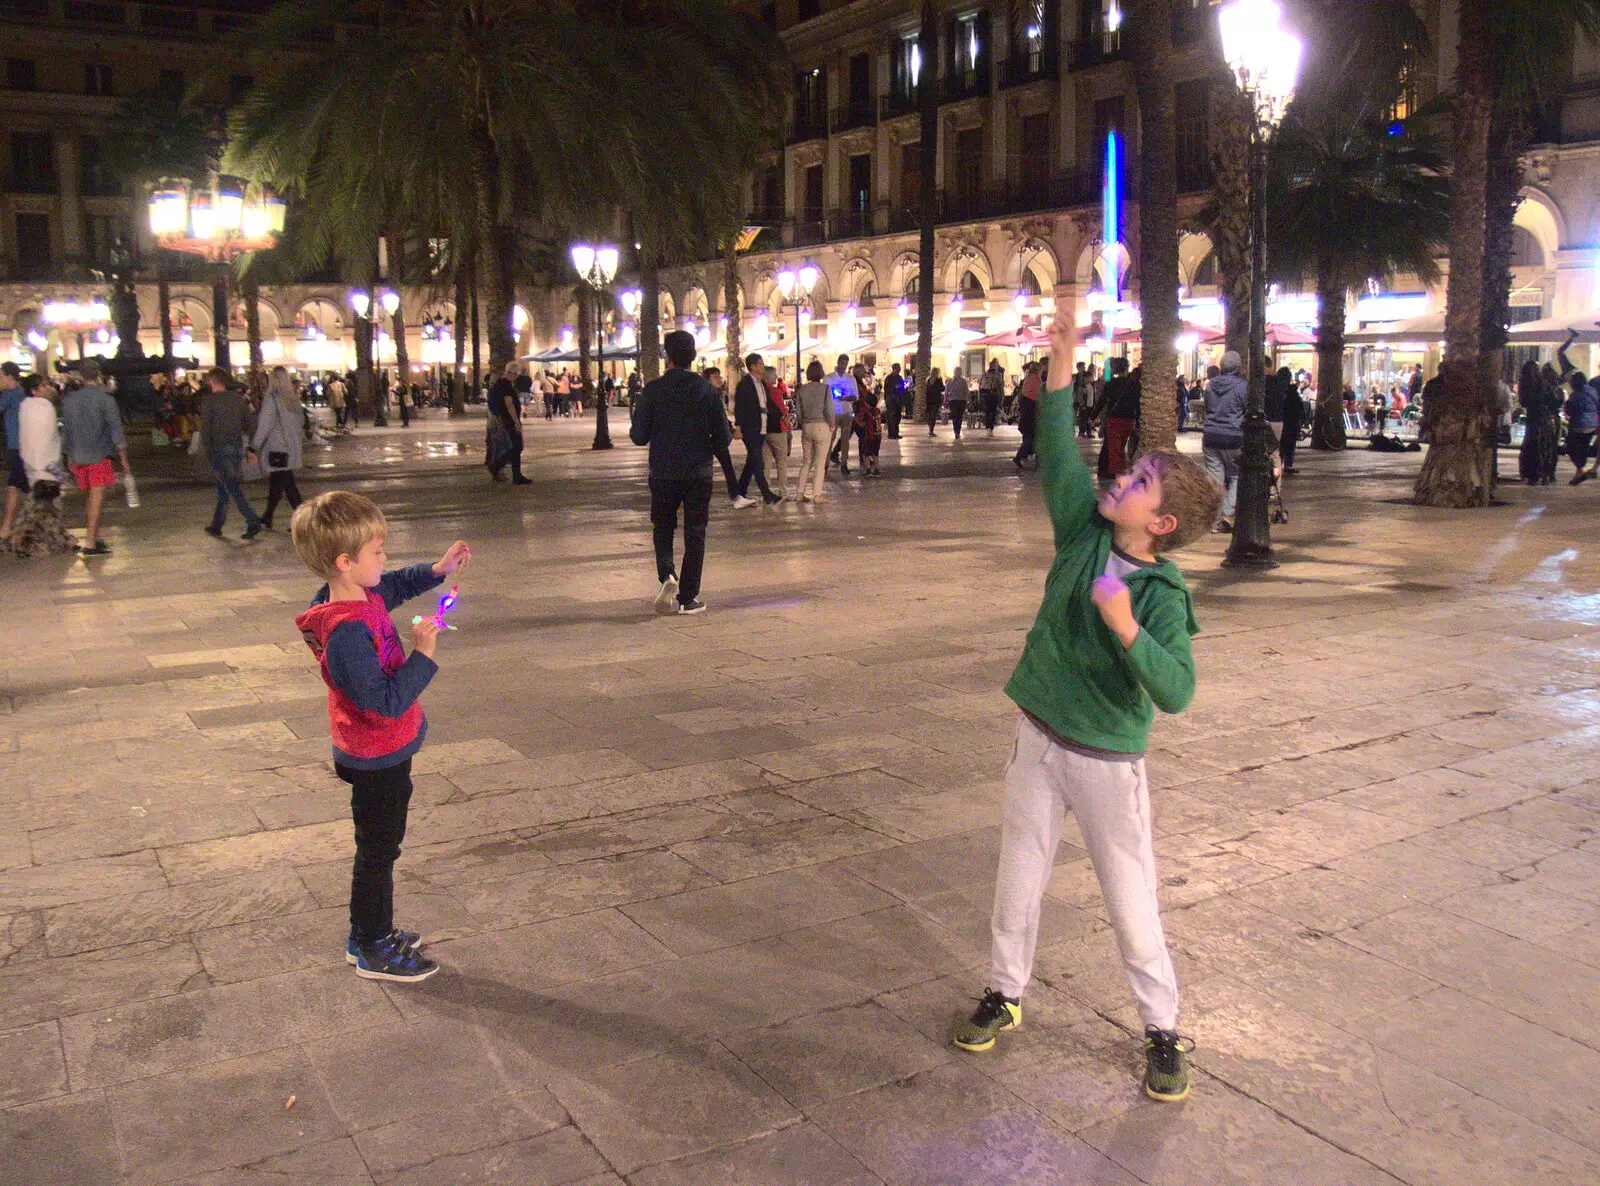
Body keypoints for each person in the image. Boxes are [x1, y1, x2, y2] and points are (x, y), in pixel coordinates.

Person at [952, 313, 1221, 1108]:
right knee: (1019, 870)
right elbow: (1061, 456)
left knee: (1128, 893)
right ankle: (1004, 991)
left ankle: (1162, 1028)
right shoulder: (1081, 534)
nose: (1118, 481)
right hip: (1038, 734)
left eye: (1137, 485)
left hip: (1106, 758)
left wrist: (1125, 624)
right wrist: (1061, 369)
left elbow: (1176, 690)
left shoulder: (1163, 594)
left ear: (1161, 525)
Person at [291, 491, 470, 982]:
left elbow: (391, 586)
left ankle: (365, 931)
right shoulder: (347, 631)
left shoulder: (355, 594)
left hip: (379, 749)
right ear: (345, 562)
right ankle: (372, 944)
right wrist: (424, 654)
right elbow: (384, 702)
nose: (384, 557)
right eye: (376, 550)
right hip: (376, 754)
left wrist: (437, 568)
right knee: (379, 850)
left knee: (379, 845)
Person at [630, 330, 731, 615]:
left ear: (667, 356)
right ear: (693, 357)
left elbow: (638, 436)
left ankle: (667, 575)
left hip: (663, 471)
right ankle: (688, 597)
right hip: (698, 472)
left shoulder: (652, 391)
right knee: (695, 532)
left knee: (662, 526)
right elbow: (723, 438)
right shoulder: (708, 391)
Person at [60, 359, 130, 555]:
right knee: (97, 498)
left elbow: (67, 432)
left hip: (78, 456)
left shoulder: (70, 401)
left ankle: (95, 536)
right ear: (98, 374)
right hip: (99, 455)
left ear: (81, 376)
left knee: (88, 498)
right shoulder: (106, 400)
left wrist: (68, 455)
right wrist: (122, 456)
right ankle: (90, 541)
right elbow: (116, 430)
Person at [4, 373, 76, 557]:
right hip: (45, 468)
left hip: (33, 467)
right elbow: (46, 439)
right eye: (43, 385)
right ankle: (19, 540)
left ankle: (41, 541)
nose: (49, 387)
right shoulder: (43, 408)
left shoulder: (26, 407)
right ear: (34, 390)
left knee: (39, 508)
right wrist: (49, 467)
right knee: (42, 509)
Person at [197, 367, 264, 541]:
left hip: (219, 448)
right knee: (224, 486)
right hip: (235, 448)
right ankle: (216, 524)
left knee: (232, 486)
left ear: (211, 382)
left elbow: (205, 430)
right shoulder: (238, 400)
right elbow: (250, 425)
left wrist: (207, 451)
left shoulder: (209, 401)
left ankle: (253, 520)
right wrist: (250, 448)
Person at [253, 366, 307, 530]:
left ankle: (304, 520)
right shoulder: (293, 399)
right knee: (279, 482)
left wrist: (254, 446)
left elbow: (264, 425)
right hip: (292, 447)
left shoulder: (272, 399)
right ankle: (267, 516)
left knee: (287, 485)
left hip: (278, 448)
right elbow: (302, 422)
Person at [1201, 351, 1248, 532]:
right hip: (1233, 436)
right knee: (1236, 475)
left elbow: (1207, 406)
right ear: (1238, 367)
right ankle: (1226, 516)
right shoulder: (1242, 387)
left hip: (1211, 434)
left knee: (1215, 478)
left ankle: (1212, 517)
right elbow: (1248, 408)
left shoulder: (1210, 385)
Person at [733, 353, 780, 506]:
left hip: (762, 425)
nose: (762, 366)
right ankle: (767, 494)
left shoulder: (762, 383)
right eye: (760, 363)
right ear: (752, 366)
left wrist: (779, 416)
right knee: (757, 461)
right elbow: (739, 407)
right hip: (750, 426)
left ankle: (739, 491)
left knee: (752, 461)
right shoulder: (745, 384)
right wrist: (738, 427)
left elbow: (767, 403)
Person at [794, 359, 835, 503]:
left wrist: (803, 422)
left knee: (806, 462)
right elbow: (829, 408)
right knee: (820, 462)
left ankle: (799, 493)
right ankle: (817, 494)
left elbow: (798, 412)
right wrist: (832, 423)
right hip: (821, 425)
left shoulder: (801, 390)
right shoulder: (825, 389)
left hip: (806, 426)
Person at [1094, 357, 1140, 480]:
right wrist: (1139, 421)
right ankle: (1114, 470)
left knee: (1114, 446)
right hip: (1129, 418)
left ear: (1115, 369)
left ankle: (1115, 473)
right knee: (1120, 445)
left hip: (1114, 418)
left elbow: (1102, 401)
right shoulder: (1134, 384)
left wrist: (1093, 416)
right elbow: (1137, 403)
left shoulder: (1111, 384)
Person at [1517, 360, 1560, 486]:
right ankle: (1546, 474)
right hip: (1544, 418)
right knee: (1545, 446)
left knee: (1532, 446)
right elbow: (1554, 401)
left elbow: (1524, 402)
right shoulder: (1544, 384)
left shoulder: (1525, 385)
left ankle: (1532, 475)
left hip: (1533, 418)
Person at [487, 363, 531, 485]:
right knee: (517, 446)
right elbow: (509, 404)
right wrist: (516, 421)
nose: (516, 377)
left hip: (506, 419)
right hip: (509, 420)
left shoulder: (501, 384)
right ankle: (496, 466)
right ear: (510, 373)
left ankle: (517, 476)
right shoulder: (505, 385)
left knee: (516, 447)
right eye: (516, 374)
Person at [826, 354, 861, 475]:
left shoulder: (851, 379)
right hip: (834, 411)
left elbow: (855, 396)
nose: (844, 366)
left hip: (847, 411)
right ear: (838, 362)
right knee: (830, 438)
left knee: (845, 439)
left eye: (846, 364)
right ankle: (825, 464)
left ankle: (844, 463)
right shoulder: (829, 378)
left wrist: (845, 397)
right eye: (842, 363)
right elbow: (827, 395)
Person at [764, 369, 794, 501]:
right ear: (769, 376)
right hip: (778, 429)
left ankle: (766, 491)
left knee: (766, 463)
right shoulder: (775, 392)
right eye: (774, 374)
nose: (776, 376)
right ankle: (783, 491)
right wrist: (789, 423)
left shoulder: (759, 391)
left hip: (764, 430)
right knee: (781, 462)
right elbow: (782, 411)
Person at [1564, 368, 1598, 484]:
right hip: (1592, 424)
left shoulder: (1576, 394)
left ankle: (1581, 470)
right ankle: (1579, 473)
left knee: (1571, 447)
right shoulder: (1592, 390)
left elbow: (1569, 410)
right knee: (1583, 447)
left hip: (1579, 424)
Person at [1013, 361, 1041, 468]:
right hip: (1032, 411)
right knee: (1033, 437)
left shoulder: (1027, 379)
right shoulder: (1036, 380)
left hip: (1027, 411)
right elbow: (1038, 396)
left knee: (1031, 437)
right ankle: (1020, 457)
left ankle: (1020, 456)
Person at [1279, 366, 1304, 473]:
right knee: (1290, 444)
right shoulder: (1293, 391)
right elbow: (1299, 407)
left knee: (1280, 444)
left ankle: (1278, 464)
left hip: (1281, 420)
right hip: (1292, 422)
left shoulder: (1278, 390)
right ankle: (1288, 465)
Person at [855, 389, 883, 476]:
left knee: (866, 454)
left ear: (867, 403)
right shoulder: (877, 411)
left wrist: (856, 420)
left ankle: (867, 469)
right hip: (878, 436)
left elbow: (863, 424)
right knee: (875, 454)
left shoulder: (867, 413)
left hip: (869, 437)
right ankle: (877, 469)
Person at [979, 359, 1005, 436]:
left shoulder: (985, 374)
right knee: (993, 412)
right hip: (993, 394)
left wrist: (979, 396)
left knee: (987, 412)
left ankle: (988, 428)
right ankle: (990, 429)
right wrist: (1002, 396)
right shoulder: (998, 374)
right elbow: (1000, 386)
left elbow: (980, 386)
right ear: (995, 365)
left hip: (985, 394)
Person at [945, 369, 970, 441]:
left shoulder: (963, 381)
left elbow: (966, 390)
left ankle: (958, 431)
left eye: (959, 372)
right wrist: (946, 400)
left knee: (960, 416)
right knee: (955, 416)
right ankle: (956, 431)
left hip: (962, 400)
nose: (958, 373)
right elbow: (946, 391)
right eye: (957, 371)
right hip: (953, 400)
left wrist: (969, 400)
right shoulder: (950, 380)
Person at [883, 363, 907, 439]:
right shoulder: (889, 378)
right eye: (898, 368)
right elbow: (887, 389)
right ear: (895, 369)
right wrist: (895, 388)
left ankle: (896, 433)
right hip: (891, 400)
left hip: (898, 399)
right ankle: (891, 434)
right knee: (891, 417)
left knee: (897, 417)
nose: (900, 369)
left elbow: (902, 389)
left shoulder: (900, 378)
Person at [924, 368, 945, 437]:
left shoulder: (928, 380)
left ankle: (930, 427)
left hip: (929, 399)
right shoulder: (939, 379)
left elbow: (926, 390)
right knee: (934, 415)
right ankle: (931, 430)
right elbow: (942, 388)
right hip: (936, 399)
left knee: (929, 414)